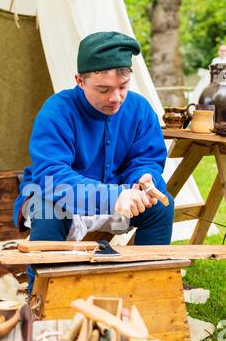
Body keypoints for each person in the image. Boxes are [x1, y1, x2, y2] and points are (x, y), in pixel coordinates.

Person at [14, 31, 174, 296]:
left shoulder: (140, 109)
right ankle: (41, 300)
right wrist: (114, 197)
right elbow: (53, 177)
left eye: (123, 87)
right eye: (104, 89)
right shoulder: (56, 111)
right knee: (45, 212)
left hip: (117, 195)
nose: (116, 98)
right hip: (62, 198)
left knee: (161, 208)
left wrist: (145, 179)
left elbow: (146, 159)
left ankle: (146, 291)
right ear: (79, 80)